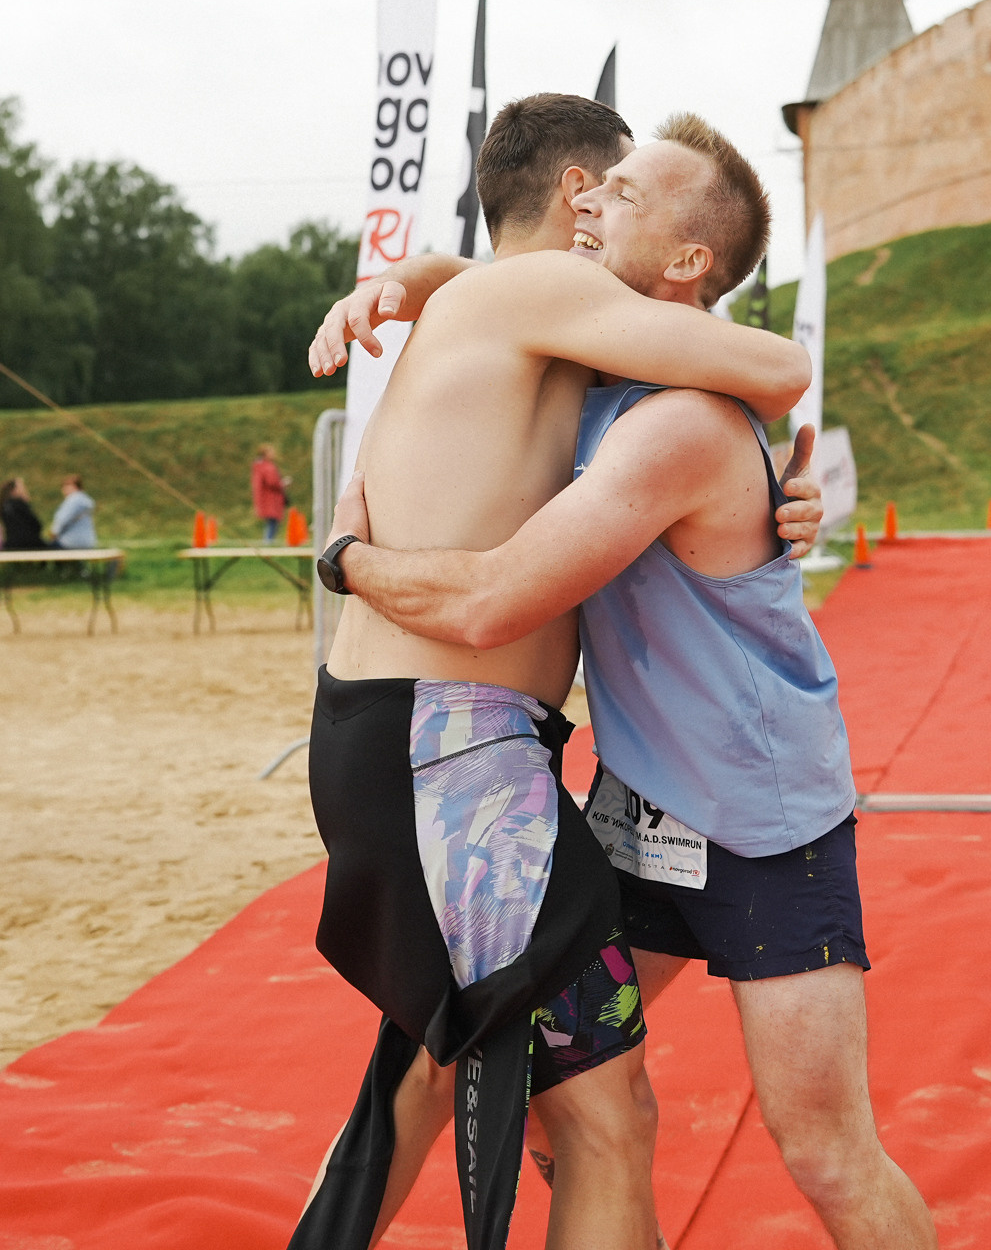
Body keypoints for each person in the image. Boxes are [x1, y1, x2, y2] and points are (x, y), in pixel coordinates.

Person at [320, 113, 936, 1250]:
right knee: (555, 1093)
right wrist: (411, 279)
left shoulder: (681, 421)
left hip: (762, 824)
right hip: (637, 811)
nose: (591, 202)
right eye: (593, 189)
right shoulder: (602, 369)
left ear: (690, 259)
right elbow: (507, 289)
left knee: (824, 1152)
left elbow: (492, 601)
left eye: (624, 194)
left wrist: (347, 558)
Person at [253, 444, 292, 545]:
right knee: (272, 522)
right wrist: (283, 483)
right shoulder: (268, 467)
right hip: (272, 499)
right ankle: (268, 541)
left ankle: (268, 541)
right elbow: (272, 482)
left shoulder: (259, 466)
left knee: (271, 522)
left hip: (266, 498)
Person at [0, 478, 48, 551]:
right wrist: (26, 502)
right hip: (29, 544)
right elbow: (37, 525)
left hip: (12, 544)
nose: (25, 490)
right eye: (22, 487)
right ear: (14, 490)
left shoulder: (4, 506)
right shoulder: (19, 504)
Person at [52, 475, 98, 550]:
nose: (64, 489)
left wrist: (54, 532)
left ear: (75, 487)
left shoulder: (73, 500)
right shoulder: (85, 500)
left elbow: (63, 520)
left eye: (66, 486)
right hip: (88, 541)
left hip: (69, 542)